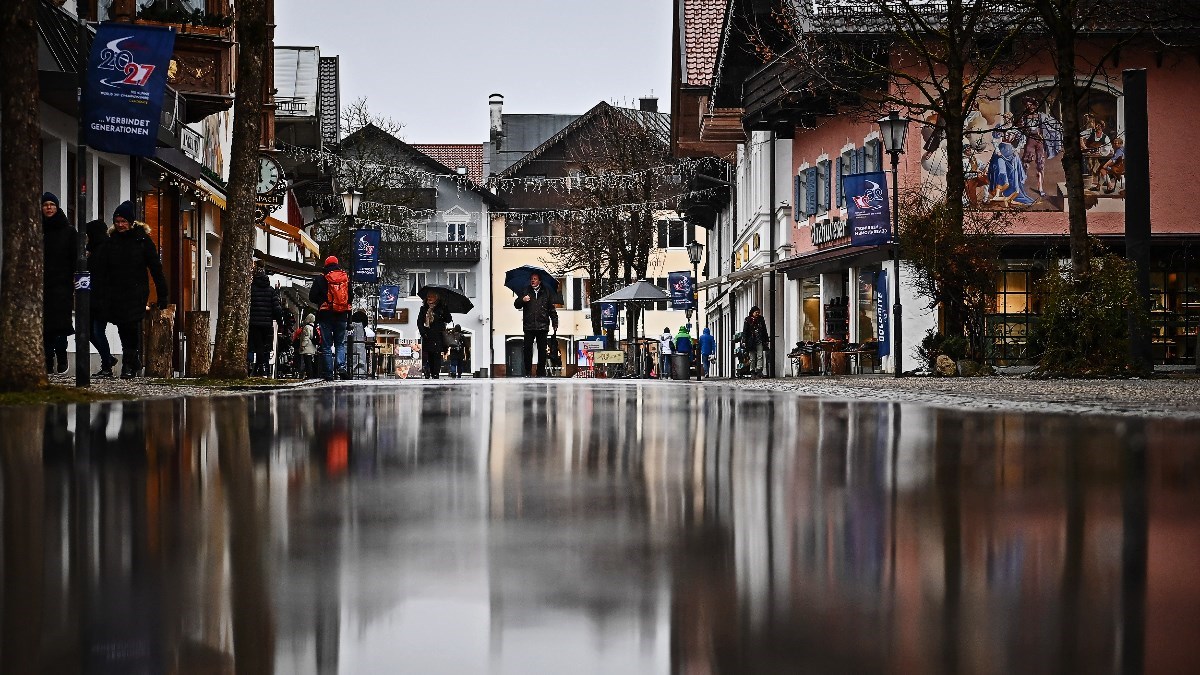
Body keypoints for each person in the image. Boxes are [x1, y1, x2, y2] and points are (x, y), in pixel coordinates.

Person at [91, 201, 168, 379]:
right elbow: (101, 270)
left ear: (131, 222)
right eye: (117, 221)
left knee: (130, 326)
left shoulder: (142, 241)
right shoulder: (110, 243)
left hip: (136, 292)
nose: (120, 225)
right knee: (122, 327)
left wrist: (162, 294)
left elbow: (156, 268)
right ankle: (133, 360)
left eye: (123, 221)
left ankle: (128, 364)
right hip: (115, 293)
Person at [42, 192, 76, 374]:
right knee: (46, 325)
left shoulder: (68, 231)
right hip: (42, 284)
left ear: (57, 207)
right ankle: (47, 360)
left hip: (62, 284)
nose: (48, 208)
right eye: (45, 204)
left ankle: (62, 355)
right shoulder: (37, 229)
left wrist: (73, 276)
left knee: (61, 324)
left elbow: (75, 257)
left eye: (52, 204)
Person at [309, 255, 353, 381]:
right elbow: (350, 297)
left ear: (326, 265)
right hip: (342, 316)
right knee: (340, 344)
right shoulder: (345, 278)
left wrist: (322, 300)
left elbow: (312, 297)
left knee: (326, 345)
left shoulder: (320, 279)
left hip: (325, 315)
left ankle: (328, 373)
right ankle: (341, 366)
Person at [85, 219, 117, 378]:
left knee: (96, 332)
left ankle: (107, 365)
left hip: (101, 299)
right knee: (92, 332)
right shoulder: (96, 250)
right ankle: (108, 359)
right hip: (95, 299)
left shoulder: (102, 250)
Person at [513, 272, 558, 377]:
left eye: (535, 279)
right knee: (527, 349)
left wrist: (555, 321)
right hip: (529, 326)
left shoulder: (546, 292)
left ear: (539, 281)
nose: (532, 280)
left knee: (542, 351)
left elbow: (551, 309)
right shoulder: (526, 291)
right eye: (531, 279)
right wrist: (522, 300)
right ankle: (528, 371)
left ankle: (540, 372)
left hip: (542, 326)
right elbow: (516, 304)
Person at [248, 263, 283, 376]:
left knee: (256, 345)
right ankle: (264, 367)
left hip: (254, 322)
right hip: (267, 324)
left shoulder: (251, 289)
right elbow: (276, 308)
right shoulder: (271, 291)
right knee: (265, 346)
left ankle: (258, 367)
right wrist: (280, 322)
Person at [417, 291, 451, 379]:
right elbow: (419, 322)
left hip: (438, 334)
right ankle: (431, 372)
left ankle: (435, 373)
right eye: (428, 296)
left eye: (431, 296)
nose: (429, 298)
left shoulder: (441, 308)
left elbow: (448, 319)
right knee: (430, 355)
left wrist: (445, 310)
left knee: (436, 354)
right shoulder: (424, 308)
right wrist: (422, 332)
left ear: (436, 298)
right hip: (427, 335)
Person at [743, 306, 770, 377]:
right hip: (751, 341)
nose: (757, 314)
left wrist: (766, 339)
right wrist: (744, 340)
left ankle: (759, 370)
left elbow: (764, 329)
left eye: (758, 312)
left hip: (759, 340)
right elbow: (745, 330)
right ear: (752, 312)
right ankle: (752, 371)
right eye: (756, 312)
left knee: (760, 355)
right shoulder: (748, 320)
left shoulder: (761, 319)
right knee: (752, 357)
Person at [349, 310, 371, 377]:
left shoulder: (350, 328)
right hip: (360, 344)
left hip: (351, 346)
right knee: (360, 354)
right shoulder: (361, 329)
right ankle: (360, 373)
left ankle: (351, 371)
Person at [297, 312, 319, 379]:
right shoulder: (314, 327)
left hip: (307, 347)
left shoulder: (306, 327)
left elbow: (305, 337)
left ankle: (309, 375)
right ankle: (312, 375)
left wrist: (302, 346)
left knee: (307, 363)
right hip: (312, 347)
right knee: (311, 362)